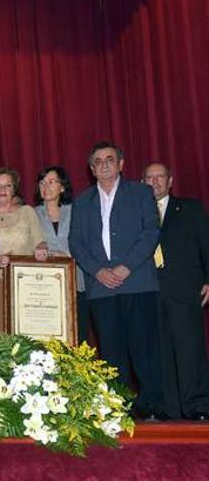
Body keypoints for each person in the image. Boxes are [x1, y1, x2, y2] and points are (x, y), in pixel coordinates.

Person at [70, 141, 165, 420]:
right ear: (91, 169)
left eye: (109, 159)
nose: (104, 165)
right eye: (97, 161)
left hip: (137, 283)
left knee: (144, 348)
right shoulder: (82, 200)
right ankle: (117, 407)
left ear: (121, 164)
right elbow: (76, 242)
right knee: (111, 353)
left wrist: (126, 267)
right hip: (100, 289)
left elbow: (151, 231)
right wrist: (97, 271)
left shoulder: (140, 193)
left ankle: (153, 407)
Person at [142, 162, 209, 420]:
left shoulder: (191, 209)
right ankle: (167, 408)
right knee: (158, 352)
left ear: (170, 181)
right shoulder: (136, 213)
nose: (155, 181)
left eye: (160, 177)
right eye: (150, 178)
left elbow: (206, 245)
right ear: (142, 182)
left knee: (190, 349)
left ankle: (198, 406)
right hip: (148, 292)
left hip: (184, 289)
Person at [0, 167, 48, 334]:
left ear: (14, 190)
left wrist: (41, 248)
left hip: (25, 282)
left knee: (27, 337)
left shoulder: (27, 212)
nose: (3, 190)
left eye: (8, 185)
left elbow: (40, 242)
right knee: (0, 338)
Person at [33, 166, 91, 344]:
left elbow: (88, 243)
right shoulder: (31, 214)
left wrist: (66, 255)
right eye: (42, 182)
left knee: (77, 336)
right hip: (44, 286)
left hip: (76, 281)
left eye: (52, 182)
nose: (46, 186)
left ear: (63, 187)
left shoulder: (77, 211)